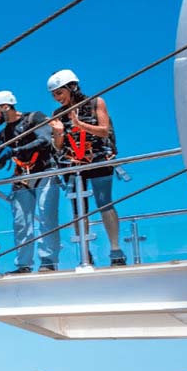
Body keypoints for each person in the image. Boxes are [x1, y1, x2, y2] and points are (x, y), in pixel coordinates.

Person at [46, 70, 127, 267]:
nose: (57, 98)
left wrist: (79, 124)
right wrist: (57, 134)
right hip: (74, 165)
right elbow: (58, 146)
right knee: (78, 210)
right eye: (54, 95)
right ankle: (85, 253)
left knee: (104, 202)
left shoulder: (96, 102)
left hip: (98, 158)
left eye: (59, 93)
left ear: (71, 87)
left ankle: (115, 250)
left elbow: (104, 130)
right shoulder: (57, 115)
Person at [0, 90, 61, 274]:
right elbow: (1, 161)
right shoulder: (3, 135)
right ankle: (23, 264)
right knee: (21, 222)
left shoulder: (34, 118)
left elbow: (44, 140)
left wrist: (15, 151)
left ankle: (48, 261)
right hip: (23, 176)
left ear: (5, 107)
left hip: (45, 170)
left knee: (47, 216)